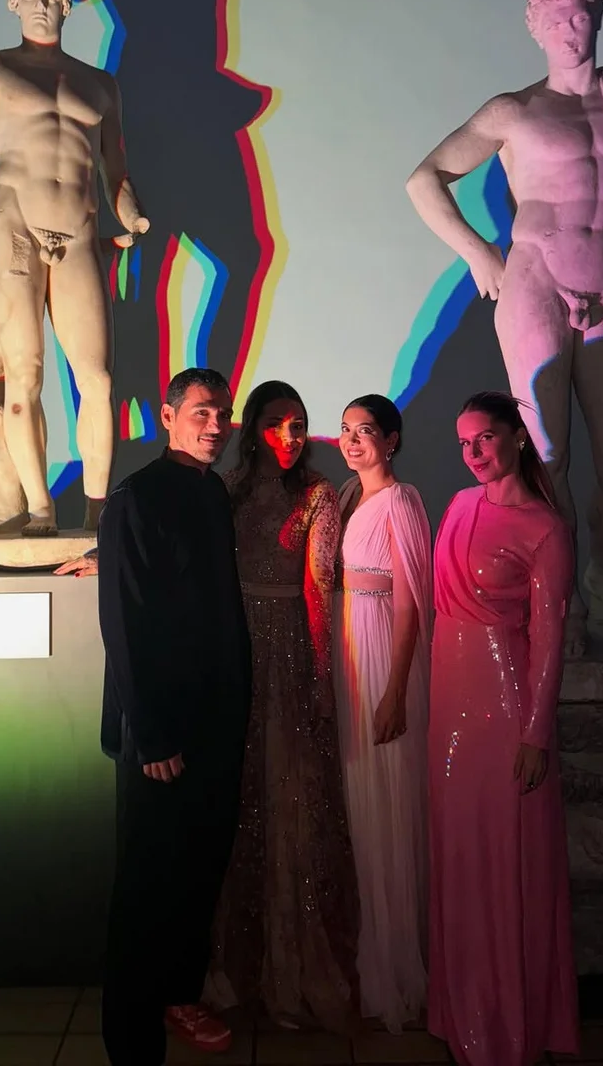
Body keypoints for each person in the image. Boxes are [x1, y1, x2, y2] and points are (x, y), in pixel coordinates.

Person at [406, 0, 603, 643]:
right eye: (556, 20)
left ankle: (600, 576)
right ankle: (559, 595)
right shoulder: (514, 111)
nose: (570, 30)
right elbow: (424, 179)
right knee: (547, 454)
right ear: (537, 32)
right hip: (536, 284)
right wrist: (479, 254)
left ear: (597, 19)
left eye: (579, 16)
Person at [0, 0, 149, 533]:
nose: (41, 3)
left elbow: (116, 169)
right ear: (13, 1)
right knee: (26, 373)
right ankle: (40, 509)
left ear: (66, 4)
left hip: (81, 224)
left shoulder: (100, 84)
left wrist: (132, 214)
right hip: (16, 218)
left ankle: (96, 513)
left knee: (98, 379)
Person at [96, 367, 251, 1066]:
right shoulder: (137, 497)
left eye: (222, 412)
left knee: (198, 871)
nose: (215, 425)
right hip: (159, 734)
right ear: (167, 416)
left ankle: (180, 994)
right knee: (145, 885)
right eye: (201, 412)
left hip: (215, 723)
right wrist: (153, 735)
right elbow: (124, 625)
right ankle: (132, 1041)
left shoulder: (212, 490)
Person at [428, 391, 578, 1066]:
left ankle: (507, 1026)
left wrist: (536, 734)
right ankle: (462, 1011)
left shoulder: (545, 528)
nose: (473, 453)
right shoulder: (459, 505)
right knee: (459, 856)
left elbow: (550, 639)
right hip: (448, 703)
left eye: (484, 438)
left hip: (505, 708)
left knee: (503, 860)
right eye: (464, 443)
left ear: (517, 436)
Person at [210, 381, 359, 1032]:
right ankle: (228, 971)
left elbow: (321, 589)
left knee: (290, 802)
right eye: (276, 424)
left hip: (290, 655)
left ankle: (290, 976)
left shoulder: (319, 493)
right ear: (251, 429)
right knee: (235, 806)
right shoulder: (226, 489)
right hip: (233, 650)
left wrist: (321, 678)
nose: (290, 436)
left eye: (298, 424)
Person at [332, 395, 432, 1033]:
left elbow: (411, 602)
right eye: (345, 430)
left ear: (391, 440)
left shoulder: (402, 501)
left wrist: (395, 690)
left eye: (364, 431)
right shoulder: (348, 496)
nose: (351, 440)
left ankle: (395, 967)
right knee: (358, 802)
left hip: (382, 659)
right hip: (347, 652)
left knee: (387, 801)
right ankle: (367, 957)